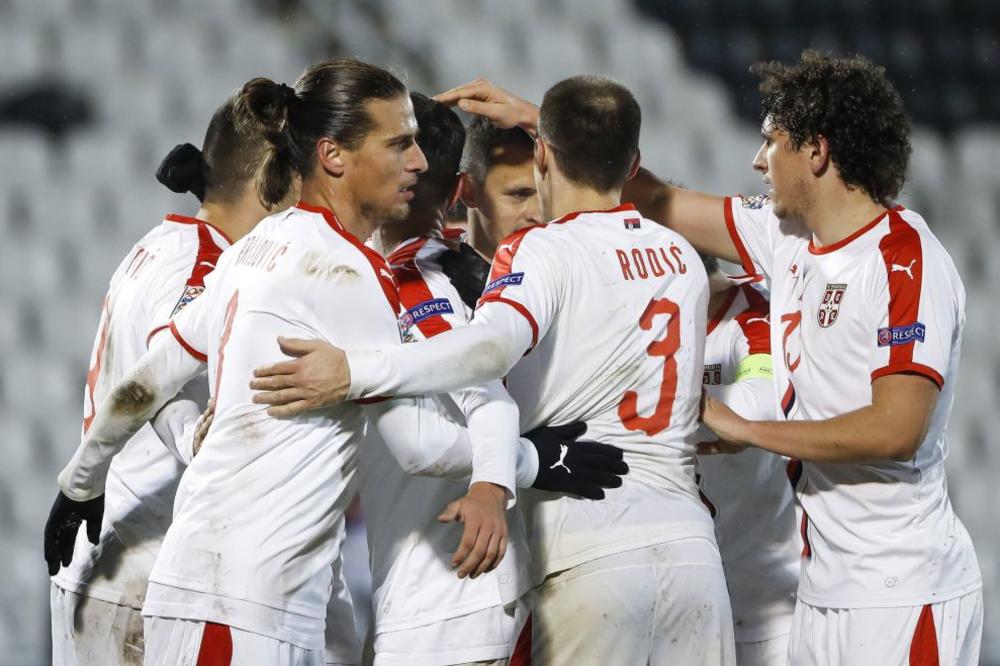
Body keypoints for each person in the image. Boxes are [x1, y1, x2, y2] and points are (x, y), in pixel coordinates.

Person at [47, 60, 523, 665]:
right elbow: (418, 447)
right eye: (399, 143)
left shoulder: (250, 250)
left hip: (239, 594)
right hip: (240, 603)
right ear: (334, 156)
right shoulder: (346, 274)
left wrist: (81, 482)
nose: (420, 162)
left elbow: (146, 377)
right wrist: (531, 455)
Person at [251, 75, 736, 665]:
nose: (530, 210)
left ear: (543, 155)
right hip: (689, 548)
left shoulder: (525, 260)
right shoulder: (679, 254)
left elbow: (486, 356)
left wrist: (356, 371)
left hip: (546, 569)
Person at [631, 51, 983, 664]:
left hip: (900, 593)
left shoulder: (905, 261)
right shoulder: (786, 237)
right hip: (822, 589)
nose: (757, 160)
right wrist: (546, 123)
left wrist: (746, 427)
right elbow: (658, 199)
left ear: (816, 152)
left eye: (771, 142)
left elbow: (896, 428)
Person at [362, 92, 628, 666]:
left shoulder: (413, 284)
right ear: (460, 191)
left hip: (450, 603)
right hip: (496, 592)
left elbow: (425, 443)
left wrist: (527, 462)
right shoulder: (464, 282)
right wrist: (535, 459)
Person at [43, 93, 308, 665]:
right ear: (272, 179)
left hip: (101, 558)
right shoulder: (209, 266)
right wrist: (196, 443)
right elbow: (154, 382)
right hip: (143, 568)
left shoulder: (156, 244)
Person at [694, 255, 800, 665]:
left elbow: (755, 410)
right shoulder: (629, 320)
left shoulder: (755, 312)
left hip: (770, 610)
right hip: (683, 602)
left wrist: (657, 398)